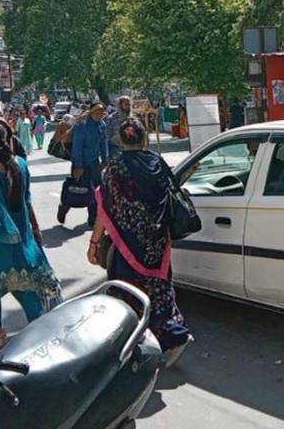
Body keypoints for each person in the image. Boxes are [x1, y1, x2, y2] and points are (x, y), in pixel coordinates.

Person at [88, 117, 192, 366]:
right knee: (160, 290)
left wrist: (93, 243)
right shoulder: (157, 162)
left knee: (128, 294)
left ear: (120, 140)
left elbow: (104, 210)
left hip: (127, 245)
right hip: (158, 243)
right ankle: (174, 336)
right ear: (144, 138)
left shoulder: (113, 168)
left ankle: (134, 346)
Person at [0, 123, 62, 348]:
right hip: (22, 236)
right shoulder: (21, 164)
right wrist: (36, 230)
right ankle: (42, 331)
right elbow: (27, 201)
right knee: (25, 286)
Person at [57, 102, 108, 227]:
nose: (100, 114)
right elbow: (77, 147)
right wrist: (78, 165)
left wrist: (105, 159)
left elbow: (103, 143)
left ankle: (92, 218)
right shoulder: (82, 125)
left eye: (102, 111)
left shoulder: (102, 125)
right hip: (80, 163)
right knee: (76, 189)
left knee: (96, 191)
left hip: (94, 163)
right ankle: (64, 208)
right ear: (91, 112)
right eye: (97, 111)